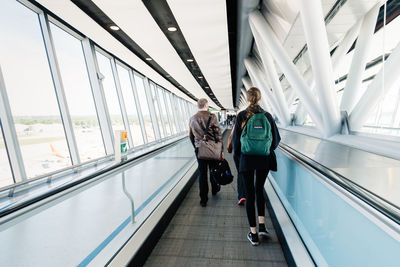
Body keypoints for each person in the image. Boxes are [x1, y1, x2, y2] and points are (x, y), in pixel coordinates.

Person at [232, 87, 281, 246]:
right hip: (264, 160)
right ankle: (262, 226)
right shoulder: (267, 116)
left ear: (247, 99)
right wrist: (264, 149)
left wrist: (239, 162)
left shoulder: (241, 116)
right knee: (259, 189)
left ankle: (253, 235)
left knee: (249, 194)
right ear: (259, 99)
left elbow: (236, 144)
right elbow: (276, 140)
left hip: (246, 160)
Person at [189, 98, 222, 207]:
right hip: (212, 148)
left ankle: (203, 199)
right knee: (213, 169)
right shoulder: (212, 117)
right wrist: (219, 148)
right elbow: (218, 134)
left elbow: (191, 135)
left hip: (199, 149)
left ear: (198, 106)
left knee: (202, 173)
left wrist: (197, 147)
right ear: (206, 105)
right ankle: (215, 189)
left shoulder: (192, 118)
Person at [227, 125, 246, 205]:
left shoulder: (239, 120)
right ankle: (251, 194)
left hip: (239, 152)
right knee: (252, 174)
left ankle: (241, 195)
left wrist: (230, 149)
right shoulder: (259, 120)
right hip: (254, 153)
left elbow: (232, 136)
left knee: (240, 173)